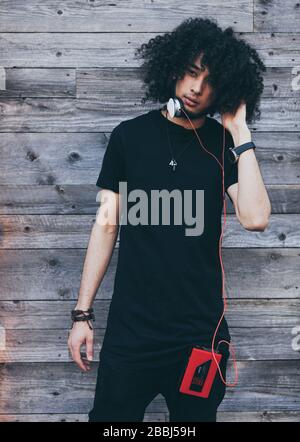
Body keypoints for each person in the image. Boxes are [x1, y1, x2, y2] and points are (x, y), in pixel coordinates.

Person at [68, 17, 271, 422]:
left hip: (200, 337)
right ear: (173, 69)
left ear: (225, 89)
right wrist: (82, 315)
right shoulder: (129, 137)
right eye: (192, 73)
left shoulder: (221, 145)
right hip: (132, 334)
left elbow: (256, 218)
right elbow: (106, 225)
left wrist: (239, 131)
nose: (197, 88)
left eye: (210, 81)